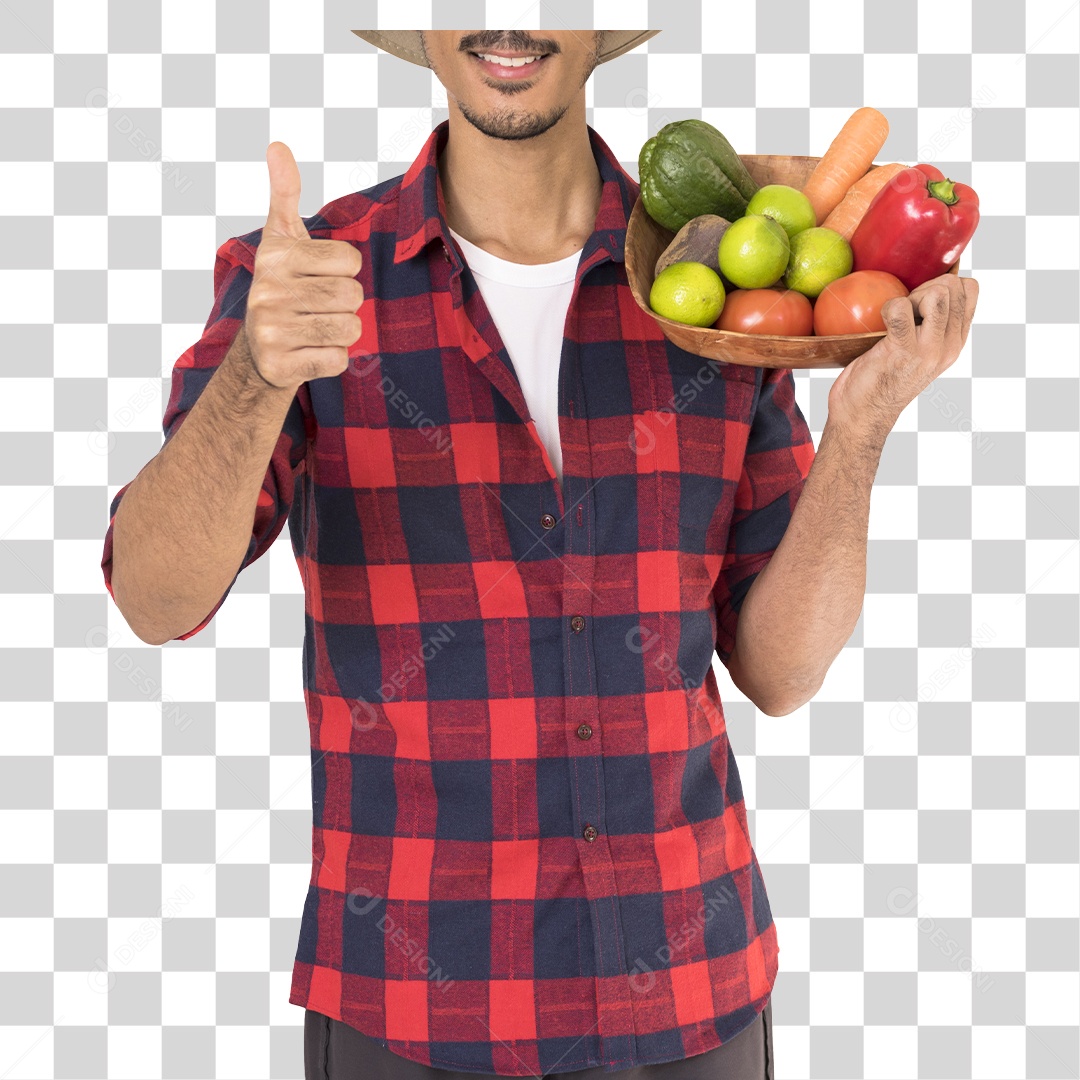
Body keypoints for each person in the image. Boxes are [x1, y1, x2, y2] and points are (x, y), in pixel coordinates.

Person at [100, 27, 978, 1080]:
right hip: (411, 1016)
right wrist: (258, 366)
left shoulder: (722, 296)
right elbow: (154, 599)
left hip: (693, 1001)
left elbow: (781, 672)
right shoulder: (306, 279)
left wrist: (862, 428)